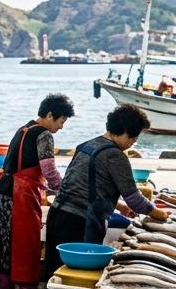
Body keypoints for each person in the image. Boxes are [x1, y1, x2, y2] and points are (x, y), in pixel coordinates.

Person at [44, 105, 169, 277]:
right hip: (79, 223)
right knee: (77, 276)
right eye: (134, 137)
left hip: (57, 214)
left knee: (55, 272)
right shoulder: (115, 155)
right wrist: (159, 214)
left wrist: (119, 206)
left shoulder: (85, 145)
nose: (134, 142)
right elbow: (135, 200)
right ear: (125, 131)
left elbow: (82, 186)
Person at [0, 94, 72, 289]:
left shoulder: (23, 129)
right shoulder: (44, 135)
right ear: (49, 115)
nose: (61, 127)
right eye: (61, 121)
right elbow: (49, 171)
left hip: (5, 190)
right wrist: (64, 190)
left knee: (7, 244)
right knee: (26, 246)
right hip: (22, 193)